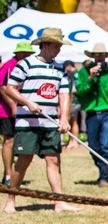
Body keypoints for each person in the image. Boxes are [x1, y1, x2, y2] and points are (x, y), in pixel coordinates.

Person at [3, 28, 79, 213]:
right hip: (28, 124)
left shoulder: (60, 68)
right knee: (23, 161)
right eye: (56, 46)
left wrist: (63, 119)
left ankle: (59, 201)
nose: (59, 49)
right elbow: (9, 88)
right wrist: (27, 102)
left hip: (50, 123)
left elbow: (64, 95)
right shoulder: (25, 64)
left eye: (60, 46)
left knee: (53, 160)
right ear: (45, 45)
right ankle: (11, 200)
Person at [76, 42, 108, 188]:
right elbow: (80, 91)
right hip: (92, 113)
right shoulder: (83, 72)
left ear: (106, 57)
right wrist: (91, 79)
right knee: (93, 146)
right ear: (93, 57)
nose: (99, 58)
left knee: (105, 145)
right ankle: (103, 168)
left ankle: (104, 176)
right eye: (97, 55)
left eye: (102, 55)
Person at [1, 41, 34, 186]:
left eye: (29, 53)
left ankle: (13, 174)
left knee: (21, 143)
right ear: (17, 53)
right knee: (9, 141)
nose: (27, 56)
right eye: (24, 53)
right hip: (7, 112)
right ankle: (8, 174)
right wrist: (13, 107)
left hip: (24, 110)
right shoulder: (9, 65)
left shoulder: (28, 66)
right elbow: (3, 88)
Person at [61, 60, 80, 148]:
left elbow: (73, 91)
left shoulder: (73, 75)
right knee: (73, 121)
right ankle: (71, 140)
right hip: (75, 101)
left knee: (72, 121)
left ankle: (73, 141)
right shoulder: (75, 75)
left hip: (73, 101)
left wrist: (69, 102)